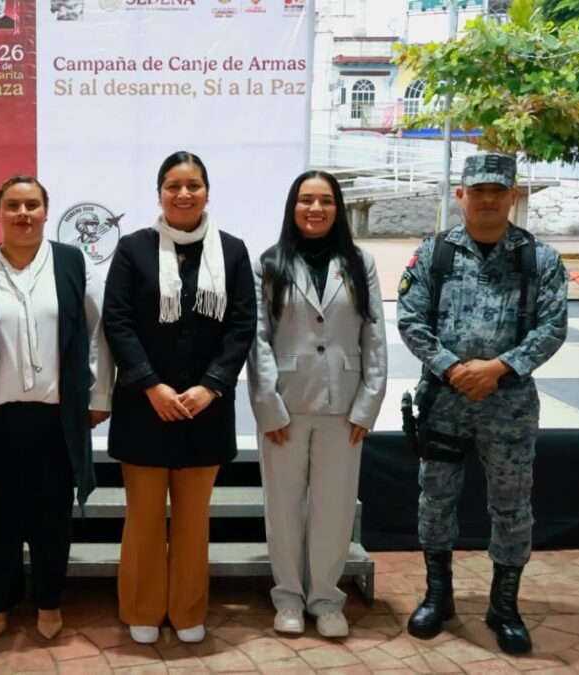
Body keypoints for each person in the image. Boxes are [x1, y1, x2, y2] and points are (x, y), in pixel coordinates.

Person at [397, 153, 567, 655]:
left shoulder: (541, 259)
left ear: (513, 195)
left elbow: (552, 327)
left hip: (509, 406)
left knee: (512, 506)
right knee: (436, 498)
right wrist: (453, 369)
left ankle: (504, 606)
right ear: (461, 195)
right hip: (444, 402)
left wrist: (497, 369)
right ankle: (438, 596)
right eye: (478, 190)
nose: (487, 199)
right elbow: (410, 319)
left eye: (497, 190)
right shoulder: (434, 254)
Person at [0, 175, 113, 641]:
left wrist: (99, 394)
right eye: (12, 205)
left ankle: (49, 602)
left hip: (56, 418)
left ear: (46, 212)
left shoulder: (73, 264)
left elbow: (100, 331)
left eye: (32, 205)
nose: (23, 214)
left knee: (53, 518)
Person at [103, 151, 257, 645]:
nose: (183, 194)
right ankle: (142, 608)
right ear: (159, 194)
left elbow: (242, 325)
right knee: (144, 519)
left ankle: (188, 609)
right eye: (173, 185)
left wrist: (212, 385)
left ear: (207, 192)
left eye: (193, 185)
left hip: (204, 410)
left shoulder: (232, 251)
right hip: (144, 407)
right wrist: (151, 384)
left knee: (193, 521)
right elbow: (117, 322)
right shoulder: (133, 249)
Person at [247, 170, 387, 638]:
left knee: (335, 507)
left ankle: (326, 600)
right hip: (286, 405)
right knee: (283, 507)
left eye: (325, 200)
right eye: (306, 199)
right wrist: (268, 405)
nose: (315, 208)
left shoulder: (360, 263)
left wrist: (368, 404)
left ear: (337, 207)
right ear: (293, 207)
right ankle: (288, 597)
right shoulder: (270, 263)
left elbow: (374, 336)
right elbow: (258, 340)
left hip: (344, 406)